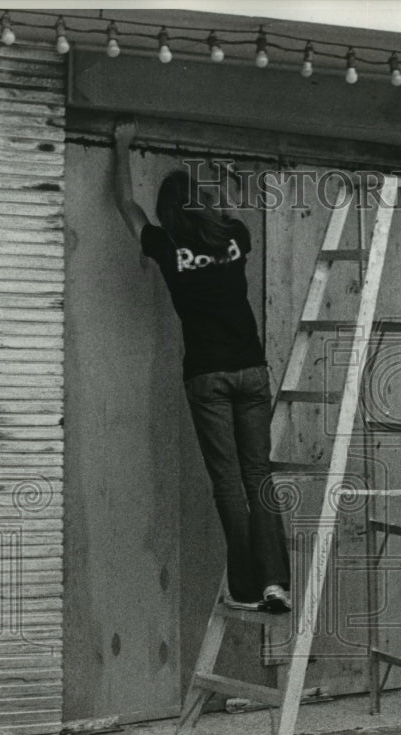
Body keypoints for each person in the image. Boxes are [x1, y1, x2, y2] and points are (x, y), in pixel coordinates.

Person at [111, 119, 291, 613]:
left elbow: (127, 206)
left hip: (207, 377)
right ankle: (277, 581)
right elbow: (225, 208)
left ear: (170, 215)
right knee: (259, 475)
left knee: (228, 481)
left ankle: (248, 587)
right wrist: (212, 173)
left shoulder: (167, 249)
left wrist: (122, 147)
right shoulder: (234, 236)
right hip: (252, 371)